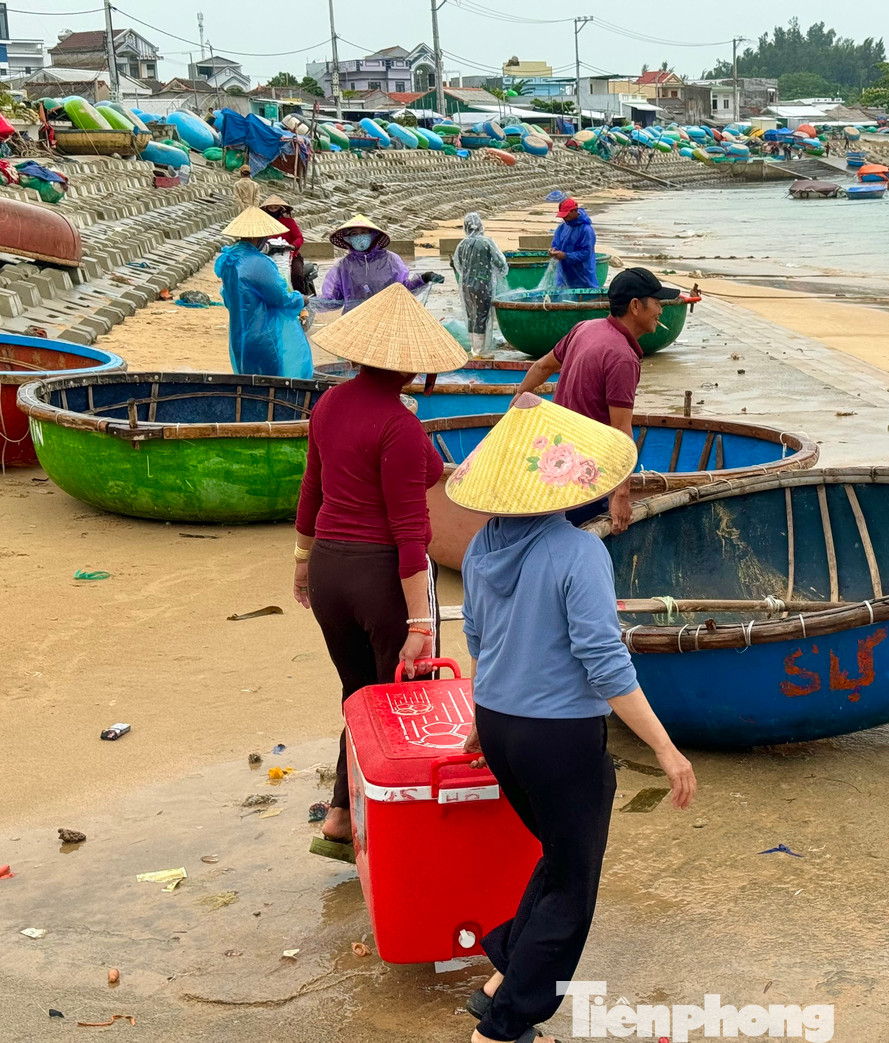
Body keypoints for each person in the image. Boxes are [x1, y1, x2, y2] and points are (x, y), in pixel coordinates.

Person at [446, 394, 696, 1043]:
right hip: (559, 740)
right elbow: (605, 664)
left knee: (560, 856)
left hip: (502, 726)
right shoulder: (577, 552)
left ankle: (504, 969)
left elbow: (480, 638)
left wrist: (480, 717)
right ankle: (505, 1027)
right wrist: (667, 749)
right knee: (573, 886)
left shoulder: (480, 547)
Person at [292, 283, 471, 861]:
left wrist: (301, 564)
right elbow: (409, 530)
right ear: (416, 367)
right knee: (404, 703)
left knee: (357, 693)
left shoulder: (330, 405)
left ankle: (342, 816)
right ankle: (401, 828)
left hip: (328, 571)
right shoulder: (399, 426)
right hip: (380, 580)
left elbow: (312, 490)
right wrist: (421, 619)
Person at [510, 268, 680, 534]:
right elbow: (621, 432)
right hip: (586, 474)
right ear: (636, 306)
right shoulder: (622, 357)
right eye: (657, 303)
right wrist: (621, 495)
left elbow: (542, 367)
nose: (661, 310)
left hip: (556, 461)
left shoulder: (585, 328)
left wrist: (517, 400)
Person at [213, 206, 312, 380]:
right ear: (255, 236)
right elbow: (280, 298)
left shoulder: (230, 260)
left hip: (238, 337)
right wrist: (300, 299)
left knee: (246, 384)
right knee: (270, 385)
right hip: (263, 338)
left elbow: (229, 299)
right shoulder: (259, 263)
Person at [316, 214, 446, 314]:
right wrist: (307, 302)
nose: (359, 237)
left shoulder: (391, 260)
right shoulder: (343, 266)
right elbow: (333, 299)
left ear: (372, 235)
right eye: (354, 234)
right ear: (348, 239)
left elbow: (403, 289)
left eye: (363, 233)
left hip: (388, 317)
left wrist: (424, 278)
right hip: (355, 321)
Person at [450, 211, 508, 357]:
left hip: (466, 285)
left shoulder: (461, 245)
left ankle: (474, 348)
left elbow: (459, 266)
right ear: (481, 226)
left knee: (471, 315)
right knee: (482, 315)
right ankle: (481, 350)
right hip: (483, 284)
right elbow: (500, 264)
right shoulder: (487, 242)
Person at [260, 194, 312, 296]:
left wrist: (292, 246)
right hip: (268, 255)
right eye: (271, 208)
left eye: (276, 207)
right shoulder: (263, 224)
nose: (273, 210)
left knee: (296, 275)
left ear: (280, 208)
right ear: (266, 209)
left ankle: (301, 301)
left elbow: (299, 237)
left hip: (292, 255)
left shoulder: (289, 222)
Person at [548, 197, 597, 289]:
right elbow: (555, 244)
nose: (565, 218)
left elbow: (586, 253)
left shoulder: (586, 230)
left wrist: (566, 256)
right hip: (564, 273)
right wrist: (553, 250)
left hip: (583, 275)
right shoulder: (562, 227)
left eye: (567, 215)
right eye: (563, 216)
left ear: (574, 211)